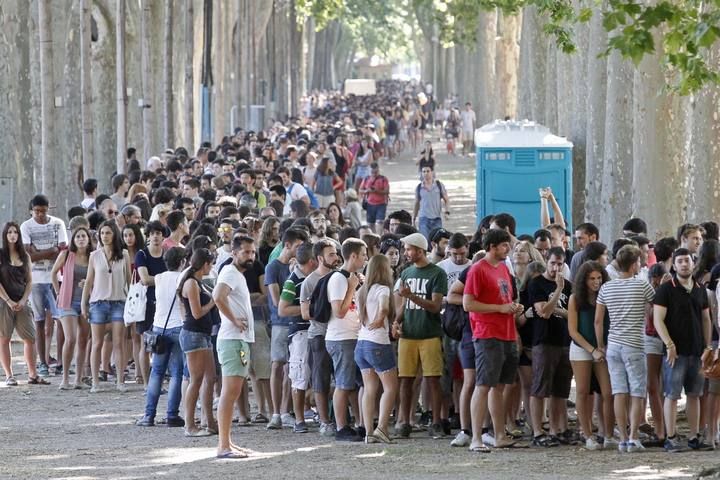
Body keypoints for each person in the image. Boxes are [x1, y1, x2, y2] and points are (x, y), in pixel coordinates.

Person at [463, 228, 524, 452]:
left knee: (498, 387)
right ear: (491, 247)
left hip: (507, 332)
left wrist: (512, 309)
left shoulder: (504, 270)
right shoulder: (478, 269)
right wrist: (500, 308)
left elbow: (505, 298)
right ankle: (476, 438)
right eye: (504, 245)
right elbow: (468, 304)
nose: (508, 249)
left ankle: (499, 435)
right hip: (487, 333)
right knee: (483, 385)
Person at [594, 244, 655, 452]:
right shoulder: (642, 286)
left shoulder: (606, 287)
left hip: (613, 345)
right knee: (637, 392)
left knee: (619, 391)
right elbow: (656, 307)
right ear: (634, 264)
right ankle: (633, 436)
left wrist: (600, 344)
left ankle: (621, 439)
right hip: (634, 345)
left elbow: (598, 320)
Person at [653, 248, 714, 451]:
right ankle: (671, 437)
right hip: (675, 353)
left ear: (693, 262)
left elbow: (706, 319)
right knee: (672, 394)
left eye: (687, 261)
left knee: (694, 394)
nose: (684, 265)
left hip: (697, 352)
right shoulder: (666, 289)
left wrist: (707, 347)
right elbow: (657, 319)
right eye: (680, 261)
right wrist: (669, 345)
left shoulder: (699, 289)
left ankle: (694, 436)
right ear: (674, 265)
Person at [395, 232, 448, 438]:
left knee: (432, 379)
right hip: (408, 334)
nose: (406, 253)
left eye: (409, 249)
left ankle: (435, 421)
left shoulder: (436, 273)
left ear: (419, 250)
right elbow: (404, 305)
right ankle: (404, 420)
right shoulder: (406, 273)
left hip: (429, 334)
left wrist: (412, 296)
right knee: (405, 380)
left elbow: (435, 306)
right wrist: (396, 321)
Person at [213, 236, 257, 458]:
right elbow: (218, 297)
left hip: (236, 339)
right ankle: (223, 445)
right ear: (234, 253)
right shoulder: (230, 272)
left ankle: (227, 442)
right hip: (232, 339)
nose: (250, 256)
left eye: (252, 252)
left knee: (232, 392)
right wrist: (233, 320)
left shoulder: (236, 275)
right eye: (246, 252)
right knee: (229, 393)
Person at [527, 246, 573, 447]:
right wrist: (558, 291)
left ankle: (558, 429)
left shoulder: (569, 285)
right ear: (547, 261)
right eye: (553, 263)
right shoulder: (537, 283)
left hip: (564, 341)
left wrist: (558, 308)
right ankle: (537, 431)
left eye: (560, 264)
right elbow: (544, 311)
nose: (556, 268)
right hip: (544, 341)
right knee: (540, 389)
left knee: (561, 391)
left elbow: (573, 315)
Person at [136, 247, 186, 428]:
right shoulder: (183, 278)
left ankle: (149, 415)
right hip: (178, 327)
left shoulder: (159, 278)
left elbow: (146, 281)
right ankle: (172, 414)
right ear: (182, 262)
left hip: (159, 327)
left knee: (156, 372)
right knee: (177, 374)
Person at [567, 261, 614, 450]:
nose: (596, 282)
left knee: (608, 392)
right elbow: (573, 330)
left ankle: (608, 434)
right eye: (592, 278)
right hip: (581, 348)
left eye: (599, 278)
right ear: (583, 280)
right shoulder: (575, 299)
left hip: (602, 348)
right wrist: (592, 349)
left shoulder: (607, 296)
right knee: (582, 391)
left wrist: (602, 347)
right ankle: (587, 435)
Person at [265, 228, 308, 429]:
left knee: (292, 369)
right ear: (287, 245)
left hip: (297, 324)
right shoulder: (273, 267)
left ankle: (286, 411)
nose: (301, 250)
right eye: (298, 246)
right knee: (277, 365)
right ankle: (275, 412)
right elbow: (276, 300)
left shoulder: (301, 268)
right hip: (280, 323)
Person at [81, 221, 131, 393]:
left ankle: (120, 380)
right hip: (98, 302)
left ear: (114, 234)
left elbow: (129, 280)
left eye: (108, 233)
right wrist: (84, 303)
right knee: (97, 343)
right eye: (102, 233)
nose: (105, 236)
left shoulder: (124, 254)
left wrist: (131, 303)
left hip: (119, 301)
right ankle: (95, 381)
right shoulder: (94, 255)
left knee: (119, 342)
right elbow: (89, 281)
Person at [21, 194, 67, 377]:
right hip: (36, 279)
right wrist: (51, 251)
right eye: (36, 211)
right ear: (31, 210)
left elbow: (62, 249)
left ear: (49, 209)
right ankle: (43, 362)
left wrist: (40, 252)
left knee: (61, 319)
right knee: (39, 321)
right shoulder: (26, 226)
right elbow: (28, 255)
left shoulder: (58, 224)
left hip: (57, 278)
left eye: (43, 211)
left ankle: (62, 361)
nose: (40, 214)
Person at [326, 238, 367, 441]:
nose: (366, 259)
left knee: (353, 384)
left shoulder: (354, 277)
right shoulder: (338, 279)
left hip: (354, 335)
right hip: (341, 338)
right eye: (363, 255)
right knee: (343, 384)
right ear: (353, 256)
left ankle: (359, 422)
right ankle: (341, 427)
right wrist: (352, 287)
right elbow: (339, 311)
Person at [355, 254, 398, 444]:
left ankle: (368, 431)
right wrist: (381, 318)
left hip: (361, 343)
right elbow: (383, 307)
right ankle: (382, 427)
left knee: (369, 388)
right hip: (378, 343)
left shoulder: (361, 291)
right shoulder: (383, 289)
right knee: (390, 387)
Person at [178, 248, 218, 437]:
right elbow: (196, 312)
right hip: (194, 333)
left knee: (210, 377)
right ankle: (189, 424)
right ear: (205, 264)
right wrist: (213, 302)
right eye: (211, 263)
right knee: (196, 380)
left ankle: (209, 420)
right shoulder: (192, 283)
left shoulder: (198, 282)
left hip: (203, 333)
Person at [278, 243, 317, 433]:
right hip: (300, 333)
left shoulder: (315, 278)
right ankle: (299, 418)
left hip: (315, 330)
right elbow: (282, 309)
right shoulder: (292, 281)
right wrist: (308, 310)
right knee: (299, 375)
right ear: (312, 261)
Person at [0, 222, 43, 386]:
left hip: (22, 301)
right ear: (5, 235)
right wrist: (8, 301)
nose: (12, 235)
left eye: (15, 232)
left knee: (30, 338)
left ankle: (33, 374)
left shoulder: (25, 256)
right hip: (4, 302)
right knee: (4, 338)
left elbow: (30, 281)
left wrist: (24, 300)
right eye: (9, 232)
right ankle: (9, 375)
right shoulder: (1, 255)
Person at [51, 226, 92, 390]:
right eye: (78, 237)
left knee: (83, 340)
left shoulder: (93, 257)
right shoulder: (67, 254)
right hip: (67, 301)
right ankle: (65, 377)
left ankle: (79, 378)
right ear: (73, 240)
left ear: (88, 239)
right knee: (71, 338)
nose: (81, 239)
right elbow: (54, 273)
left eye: (84, 236)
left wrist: (89, 284)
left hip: (87, 302)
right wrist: (58, 291)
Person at [135, 221, 168, 386]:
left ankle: (159, 380)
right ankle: (148, 383)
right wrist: (164, 280)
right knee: (145, 344)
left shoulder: (167, 253)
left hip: (165, 302)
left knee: (163, 343)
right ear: (148, 236)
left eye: (159, 233)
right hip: (146, 303)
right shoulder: (142, 254)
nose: (155, 236)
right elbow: (145, 279)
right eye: (152, 233)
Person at [413, 166, 450, 241]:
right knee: (424, 240)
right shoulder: (419, 187)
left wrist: (447, 212)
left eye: (428, 171)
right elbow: (416, 203)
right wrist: (414, 217)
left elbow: (446, 200)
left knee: (436, 241)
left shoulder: (439, 185)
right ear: (421, 174)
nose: (426, 173)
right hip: (423, 218)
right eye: (424, 171)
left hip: (436, 218)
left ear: (432, 172)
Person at [359, 163, 390, 234]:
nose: (374, 174)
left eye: (376, 172)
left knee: (380, 223)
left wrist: (377, 191)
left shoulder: (383, 179)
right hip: (370, 204)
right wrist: (367, 191)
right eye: (372, 172)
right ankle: (373, 238)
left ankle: (379, 237)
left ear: (378, 170)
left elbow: (387, 191)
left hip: (381, 204)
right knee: (370, 224)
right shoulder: (366, 178)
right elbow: (360, 190)